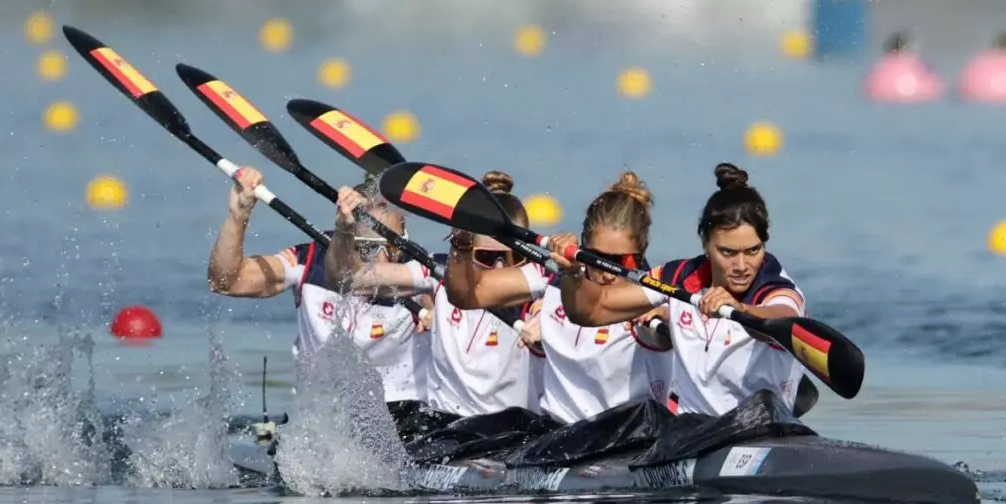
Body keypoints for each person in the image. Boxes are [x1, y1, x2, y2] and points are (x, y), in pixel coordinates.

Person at [554, 163, 805, 416]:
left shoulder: (774, 285)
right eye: (727, 252)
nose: (742, 266)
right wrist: (571, 272)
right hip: (690, 434)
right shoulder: (677, 278)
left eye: (753, 250)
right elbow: (592, 309)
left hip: (759, 427)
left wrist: (741, 309)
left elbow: (784, 319)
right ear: (706, 244)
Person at [443, 171, 673, 424]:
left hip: (631, 438)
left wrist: (667, 319)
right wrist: (461, 240)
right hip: (559, 436)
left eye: (622, 262)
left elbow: (674, 326)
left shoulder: (655, 296)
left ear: (642, 252)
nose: (608, 272)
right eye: (597, 258)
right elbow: (466, 293)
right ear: (583, 246)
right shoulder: (552, 277)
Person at [325, 170, 545, 419]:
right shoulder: (439, 274)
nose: (499, 270)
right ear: (466, 249)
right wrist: (344, 230)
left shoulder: (539, 285)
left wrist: (546, 323)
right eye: (486, 257)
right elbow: (348, 279)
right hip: (444, 429)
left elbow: (572, 302)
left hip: (512, 433)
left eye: (514, 258)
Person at [206, 166, 433, 405]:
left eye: (394, 247)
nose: (383, 261)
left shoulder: (419, 270)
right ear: (348, 241)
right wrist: (238, 214)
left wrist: (436, 314)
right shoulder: (311, 258)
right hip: (321, 417)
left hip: (405, 413)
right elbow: (225, 281)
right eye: (367, 248)